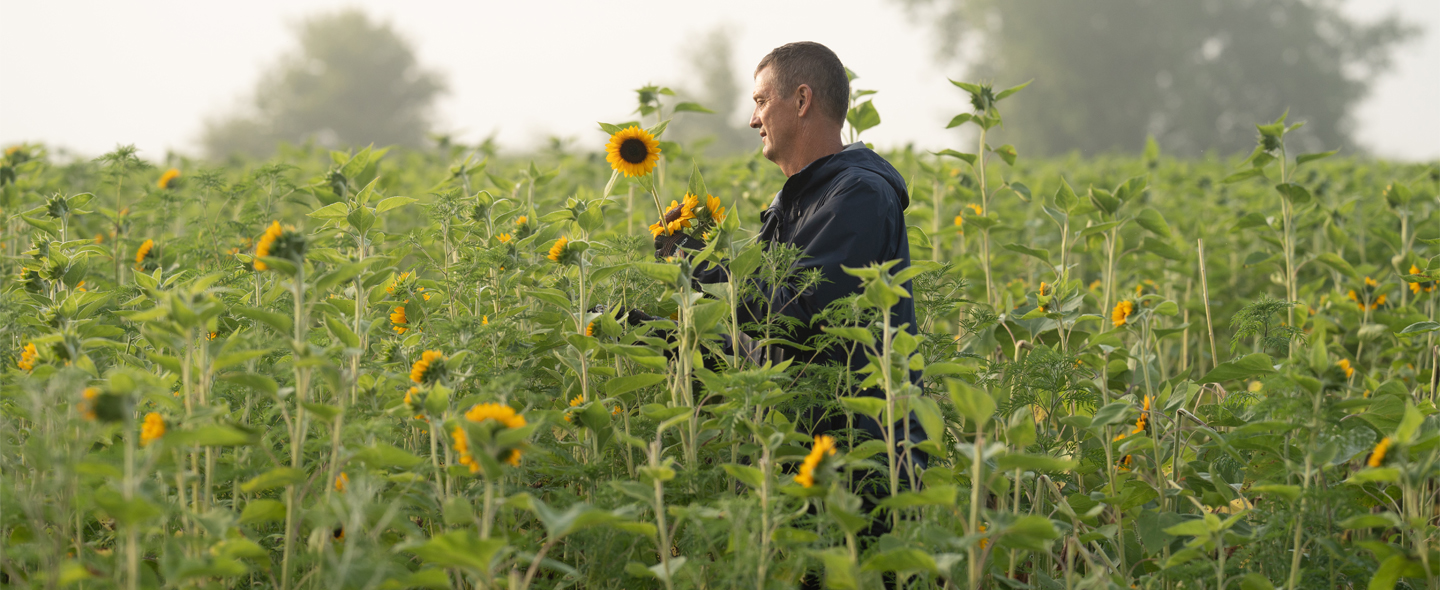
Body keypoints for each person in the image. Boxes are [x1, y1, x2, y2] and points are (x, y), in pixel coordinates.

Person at [658, 41, 925, 467]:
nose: (752, 120)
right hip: (802, 455)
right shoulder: (794, 203)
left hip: (859, 464)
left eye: (761, 101)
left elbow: (795, 316)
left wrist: (700, 270)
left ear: (802, 100)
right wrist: (670, 340)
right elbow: (768, 346)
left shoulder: (858, 195)